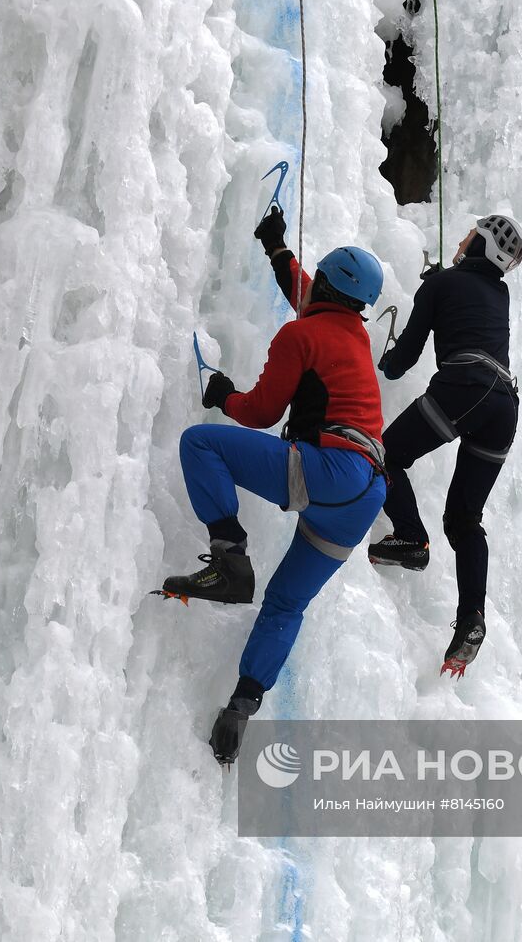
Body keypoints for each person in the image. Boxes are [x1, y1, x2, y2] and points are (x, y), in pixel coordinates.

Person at [161, 206, 387, 765]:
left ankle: (229, 558)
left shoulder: (300, 336)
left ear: (329, 285)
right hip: (363, 495)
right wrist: (276, 248)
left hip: (329, 469)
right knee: (285, 604)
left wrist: (223, 396)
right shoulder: (352, 334)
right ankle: (241, 706)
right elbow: (311, 296)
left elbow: (261, 413)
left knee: (201, 443)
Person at [368, 214, 522, 677]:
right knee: (463, 520)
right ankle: (471, 621)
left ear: (480, 244)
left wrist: (388, 355)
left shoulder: (441, 285)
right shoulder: (500, 291)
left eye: (470, 235)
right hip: (504, 407)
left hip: (466, 386)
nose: (462, 239)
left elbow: (403, 363)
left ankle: (411, 537)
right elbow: (467, 301)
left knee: (386, 454)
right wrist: (438, 287)